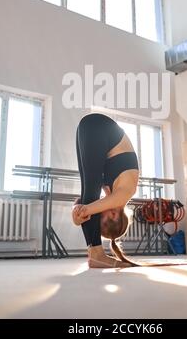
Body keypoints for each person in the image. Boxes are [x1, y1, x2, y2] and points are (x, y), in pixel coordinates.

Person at [72, 112, 139, 268]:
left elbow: (83, 201)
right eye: (100, 216)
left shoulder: (111, 193)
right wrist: (79, 215)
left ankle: (95, 253)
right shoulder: (125, 193)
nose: (98, 211)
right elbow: (87, 208)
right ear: (115, 215)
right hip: (100, 126)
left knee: (89, 189)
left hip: (86, 127)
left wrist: (75, 210)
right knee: (90, 191)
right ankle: (96, 253)